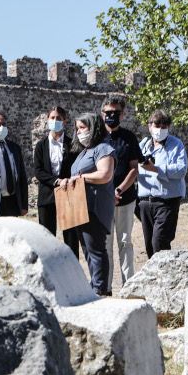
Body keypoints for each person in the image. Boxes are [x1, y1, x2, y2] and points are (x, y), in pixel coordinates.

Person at [60, 113, 115, 296]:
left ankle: (100, 289)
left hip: (95, 207)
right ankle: (94, 286)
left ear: (94, 127)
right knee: (87, 250)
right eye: (77, 128)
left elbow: (105, 174)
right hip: (80, 206)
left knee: (96, 249)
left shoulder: (103, 149)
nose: (79, 132)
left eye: (83, 128)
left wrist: (80, 177)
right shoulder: (84, 152)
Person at [101, 95, 144, 293]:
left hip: (125, 198)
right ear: (102, 114)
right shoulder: (96, 137)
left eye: (116, 112)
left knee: (125, 242)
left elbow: (134, 168)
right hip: (103, 199)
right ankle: (106, 287)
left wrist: (118, 190)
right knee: (105, 244)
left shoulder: (129, 137)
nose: (112, 116)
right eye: (108, 112)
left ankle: (128, 287)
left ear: (122, 115)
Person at [137, 110, 187, 258]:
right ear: (149, 126)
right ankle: (153, 271)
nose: (160, 128)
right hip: (145, 202)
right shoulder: (143, 145)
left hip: (167, 202)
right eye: (157, 124)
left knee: (159, 241)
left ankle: (164, 270)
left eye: (164, 125)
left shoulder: (176, 144)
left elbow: (181, 170)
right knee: (149, 244)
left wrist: (156, 169)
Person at [34, 106, 79, 257]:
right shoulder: (41, 145)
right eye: (52, 117)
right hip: (47, 195)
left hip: (69, 194)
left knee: (71, 237)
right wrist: (57, 181)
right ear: (47, 120)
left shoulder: (72, 144)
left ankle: (72, 267)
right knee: (47, 237)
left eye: (58, 118)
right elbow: (39, 171)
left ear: (64, 121)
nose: (55, 121)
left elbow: (77, 167)